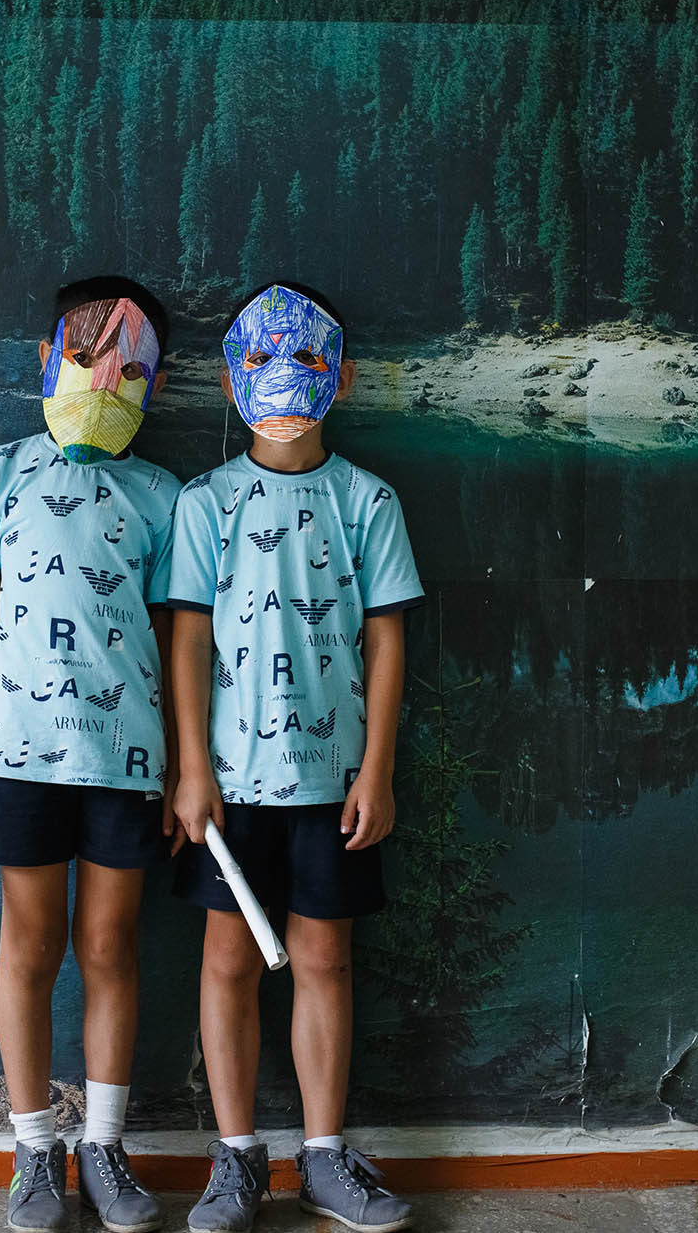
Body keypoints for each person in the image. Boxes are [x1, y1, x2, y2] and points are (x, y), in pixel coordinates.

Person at [164, 282, 423, 1233]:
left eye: (307, 358)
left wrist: (377, 769)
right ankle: (236, 1158)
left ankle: (322, 1155)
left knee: (326, 957)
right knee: (227, 959)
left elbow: (387, 638)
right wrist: (192, 768)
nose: (282, 377)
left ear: (341, 378)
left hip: (333, 780)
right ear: (229, 382)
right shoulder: (206, 503)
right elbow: (188, 638)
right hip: (230, 786)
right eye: (260, 359)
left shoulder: (368, 501)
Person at [0, 276, 181, 1233]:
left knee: (111, 946)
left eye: (126, 362)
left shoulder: (162, 495)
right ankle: (35, 1145)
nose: (102, 374)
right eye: (84, 353)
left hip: (125, 758)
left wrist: (180, 762)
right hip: (18, 753)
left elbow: (177, 637)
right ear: (50, 357)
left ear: (152, 380)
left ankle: (105, 1144)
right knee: (30, 945)